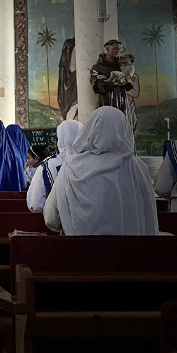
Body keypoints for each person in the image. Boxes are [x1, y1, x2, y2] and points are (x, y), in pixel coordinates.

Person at [44, 107, 157, 235]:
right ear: (125, 130)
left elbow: (51, 218)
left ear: (90, 130)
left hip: (80, 252)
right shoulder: (138, 169)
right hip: (130, 253)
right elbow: (149, 217)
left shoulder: (70, 168)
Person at [27, 120, 83, 213]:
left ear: (59, 141)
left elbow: (35, 204)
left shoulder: (48, 165)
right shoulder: (92, 163)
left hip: (56, 225)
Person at [89, 39, 134, 112]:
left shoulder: (122, 66)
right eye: (115, 48)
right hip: (106, 101)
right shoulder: (97, 67)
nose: (118, 51)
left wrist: (126, 80)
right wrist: (112, 79)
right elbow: (96, 87)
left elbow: (130, 84)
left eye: (119, 49)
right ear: (107, 49)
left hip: (121, 100)